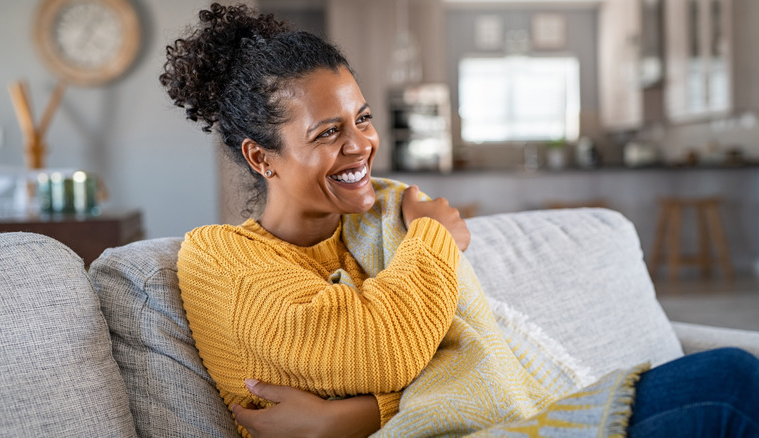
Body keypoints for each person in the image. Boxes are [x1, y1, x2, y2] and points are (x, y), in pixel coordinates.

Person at [160, 3, 759, 437]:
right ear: (261, 157)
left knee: (732, 375)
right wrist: (436, 238)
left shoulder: (377, 223)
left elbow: (464, 350)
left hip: (506, 422)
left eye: (363, 118)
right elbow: (377, 348)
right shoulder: (217, 255)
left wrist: (356, 415)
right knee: (733, 386)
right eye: (328, 132)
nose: (362, 145)